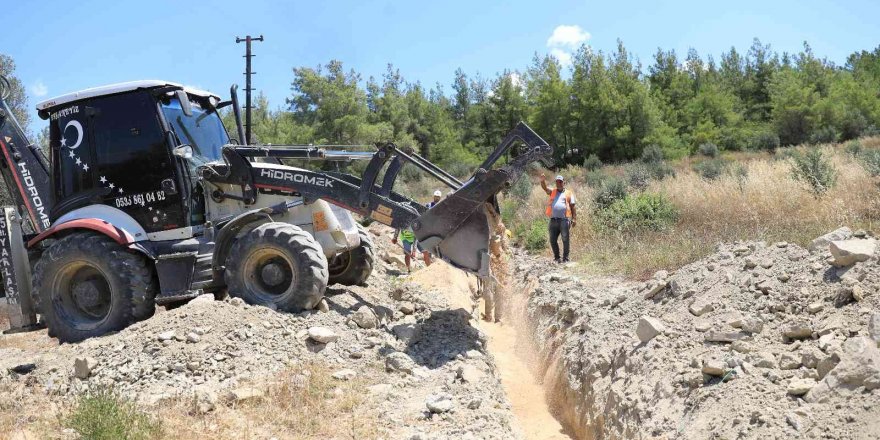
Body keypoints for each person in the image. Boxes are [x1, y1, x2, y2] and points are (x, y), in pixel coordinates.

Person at [540, 173, 577, 263]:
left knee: (565, 239)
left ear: (564, 182)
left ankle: (566, 259)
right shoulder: (553, 191)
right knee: (552, 240)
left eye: (560, 182)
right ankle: (557, 258)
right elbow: (545, 188)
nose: (558, 183)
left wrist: (574, 219)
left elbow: (573, 207)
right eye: (557, 182)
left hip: (564, 220)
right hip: (553, 220)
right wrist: (542, 181)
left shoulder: (569, 193)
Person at [419, 190, 444, 266]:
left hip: (437, 230)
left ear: (440, 198)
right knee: (427, 250)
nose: (436, 198)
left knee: (438, 249)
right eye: (435, 197)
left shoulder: (443, 206)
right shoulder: (428, 205)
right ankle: (428, 267)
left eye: (438, 197)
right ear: (433, 196)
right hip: (427, 230)